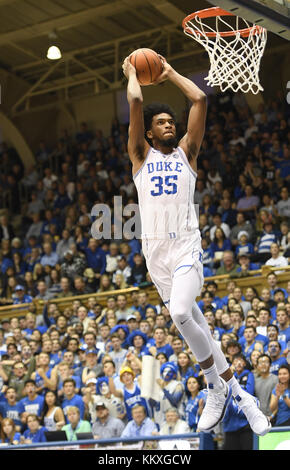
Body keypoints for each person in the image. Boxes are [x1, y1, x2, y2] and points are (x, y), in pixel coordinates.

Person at [122, 52, 270, 436]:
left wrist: (168, 71)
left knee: (182, 313)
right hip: (155, 256)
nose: (169, 125)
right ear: (150, 133)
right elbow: (135, 102)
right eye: (162, 123)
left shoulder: (188, 152)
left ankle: (214, 386)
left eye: (172, 121)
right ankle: (239, 394)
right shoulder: (140, 155)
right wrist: (131, 73)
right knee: (195, 322)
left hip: (186, 246)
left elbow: (200, 100)